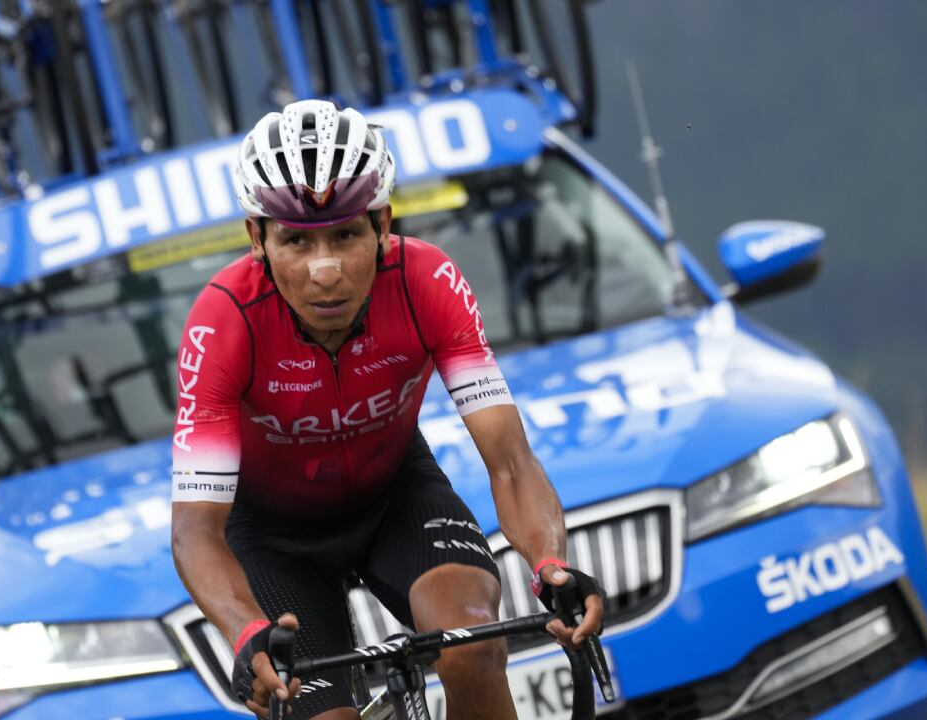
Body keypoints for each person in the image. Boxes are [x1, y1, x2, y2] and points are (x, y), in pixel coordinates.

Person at [171, 100, 604, 720]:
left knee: (474, 646)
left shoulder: (426, 281)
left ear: (381, 225)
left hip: (396, 500)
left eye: (346, 235)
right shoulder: (223, 322)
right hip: (271, 538)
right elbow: (194, 530)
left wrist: (550, 565)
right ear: (257, 239)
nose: (325, 272)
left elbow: (509, 460)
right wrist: (245, 633)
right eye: (296, 240)